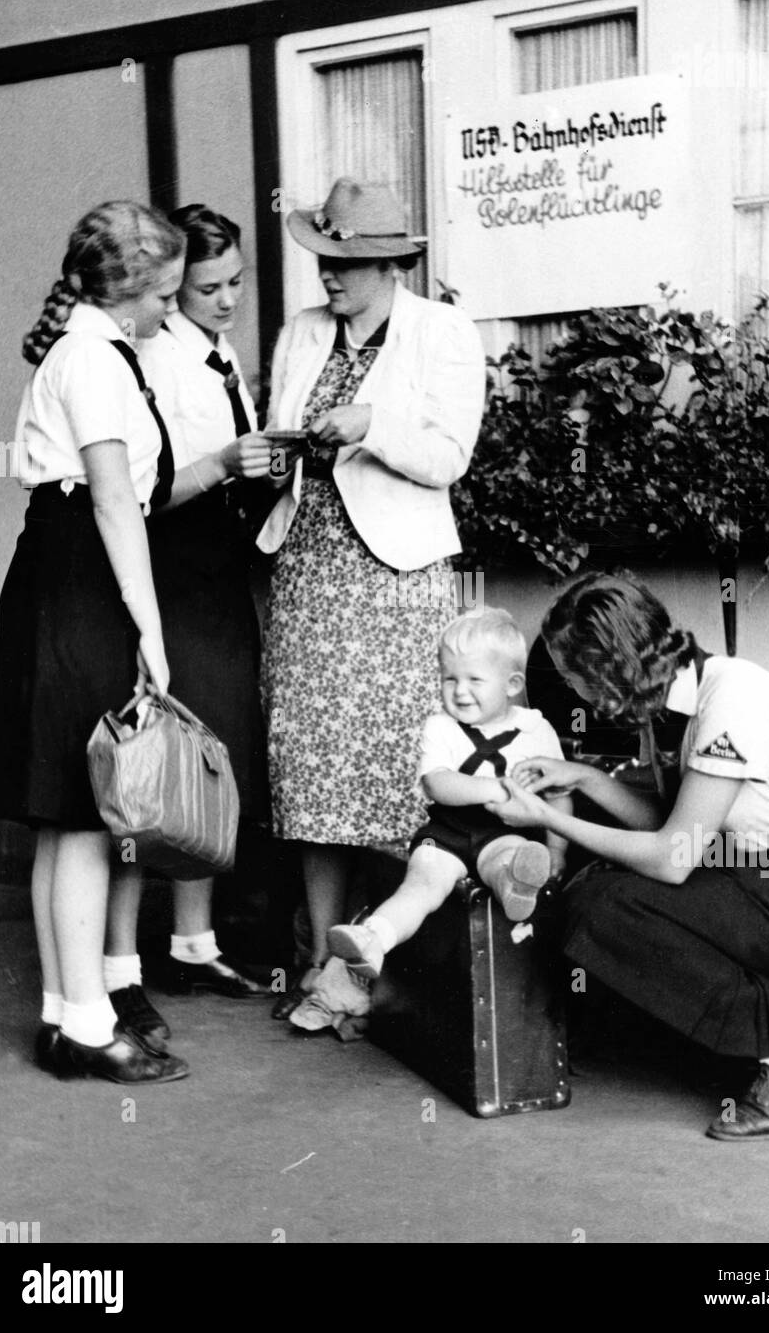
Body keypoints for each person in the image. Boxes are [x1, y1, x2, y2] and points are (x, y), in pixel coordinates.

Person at [486, 571, 769, 1141]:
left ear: (609, 669)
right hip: (762, 878)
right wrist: (586, 779)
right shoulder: (676, 694)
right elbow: (673, 830)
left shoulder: (732, 696)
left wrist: (548, 818)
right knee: (604, 886)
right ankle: (714, 1034)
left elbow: (674, 857)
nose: (575, 694)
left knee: (607, 905)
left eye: (575, 678)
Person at [258, 177, 486, 1019]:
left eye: (348, 263)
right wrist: (265, 458)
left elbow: (448, 456)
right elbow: (284, 428)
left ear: (392, 262)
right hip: (309, 573)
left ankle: (381, 976)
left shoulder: (441, 333)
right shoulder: (302, 333)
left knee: (395, 775)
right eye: (324, 260)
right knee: (312, 779)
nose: (329, 277)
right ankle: (319, 960)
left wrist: (370, 424)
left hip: (394, 580)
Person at [0, 201, 189, 1083]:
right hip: (80, 578)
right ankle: (85, 1023)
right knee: (81, 813)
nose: (170, 314)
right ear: (131, 292)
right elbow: (114, 500)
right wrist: (148, 625)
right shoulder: (97, 361)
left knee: (65, 813)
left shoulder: (87, 351)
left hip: (54, 575)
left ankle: (67, 1016)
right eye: (167, 296)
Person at [100, 205, 274, 1050]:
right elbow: (137, 492)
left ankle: (191, 944)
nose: (227, 299)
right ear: (169, 292)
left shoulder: (219, 352)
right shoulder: (147, 360)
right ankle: (115, 970)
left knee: (212, 755)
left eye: (236, 281)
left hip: (217, 571)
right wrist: (221, 466)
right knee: (150, 768)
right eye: (208, 286)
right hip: (168, 569)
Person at [326, 609, 571, 982]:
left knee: (506, 862)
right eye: (448, 678)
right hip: (447, 834)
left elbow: (557, 795)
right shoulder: (441, 727)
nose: (459, 691)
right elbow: (437, 784)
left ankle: (517, 888)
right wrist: (499, 787)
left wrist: (557, 851)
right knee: (422, 886)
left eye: (474, 679)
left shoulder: (537, 729)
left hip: (506, 832)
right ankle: (374, 937)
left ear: (511, 684)